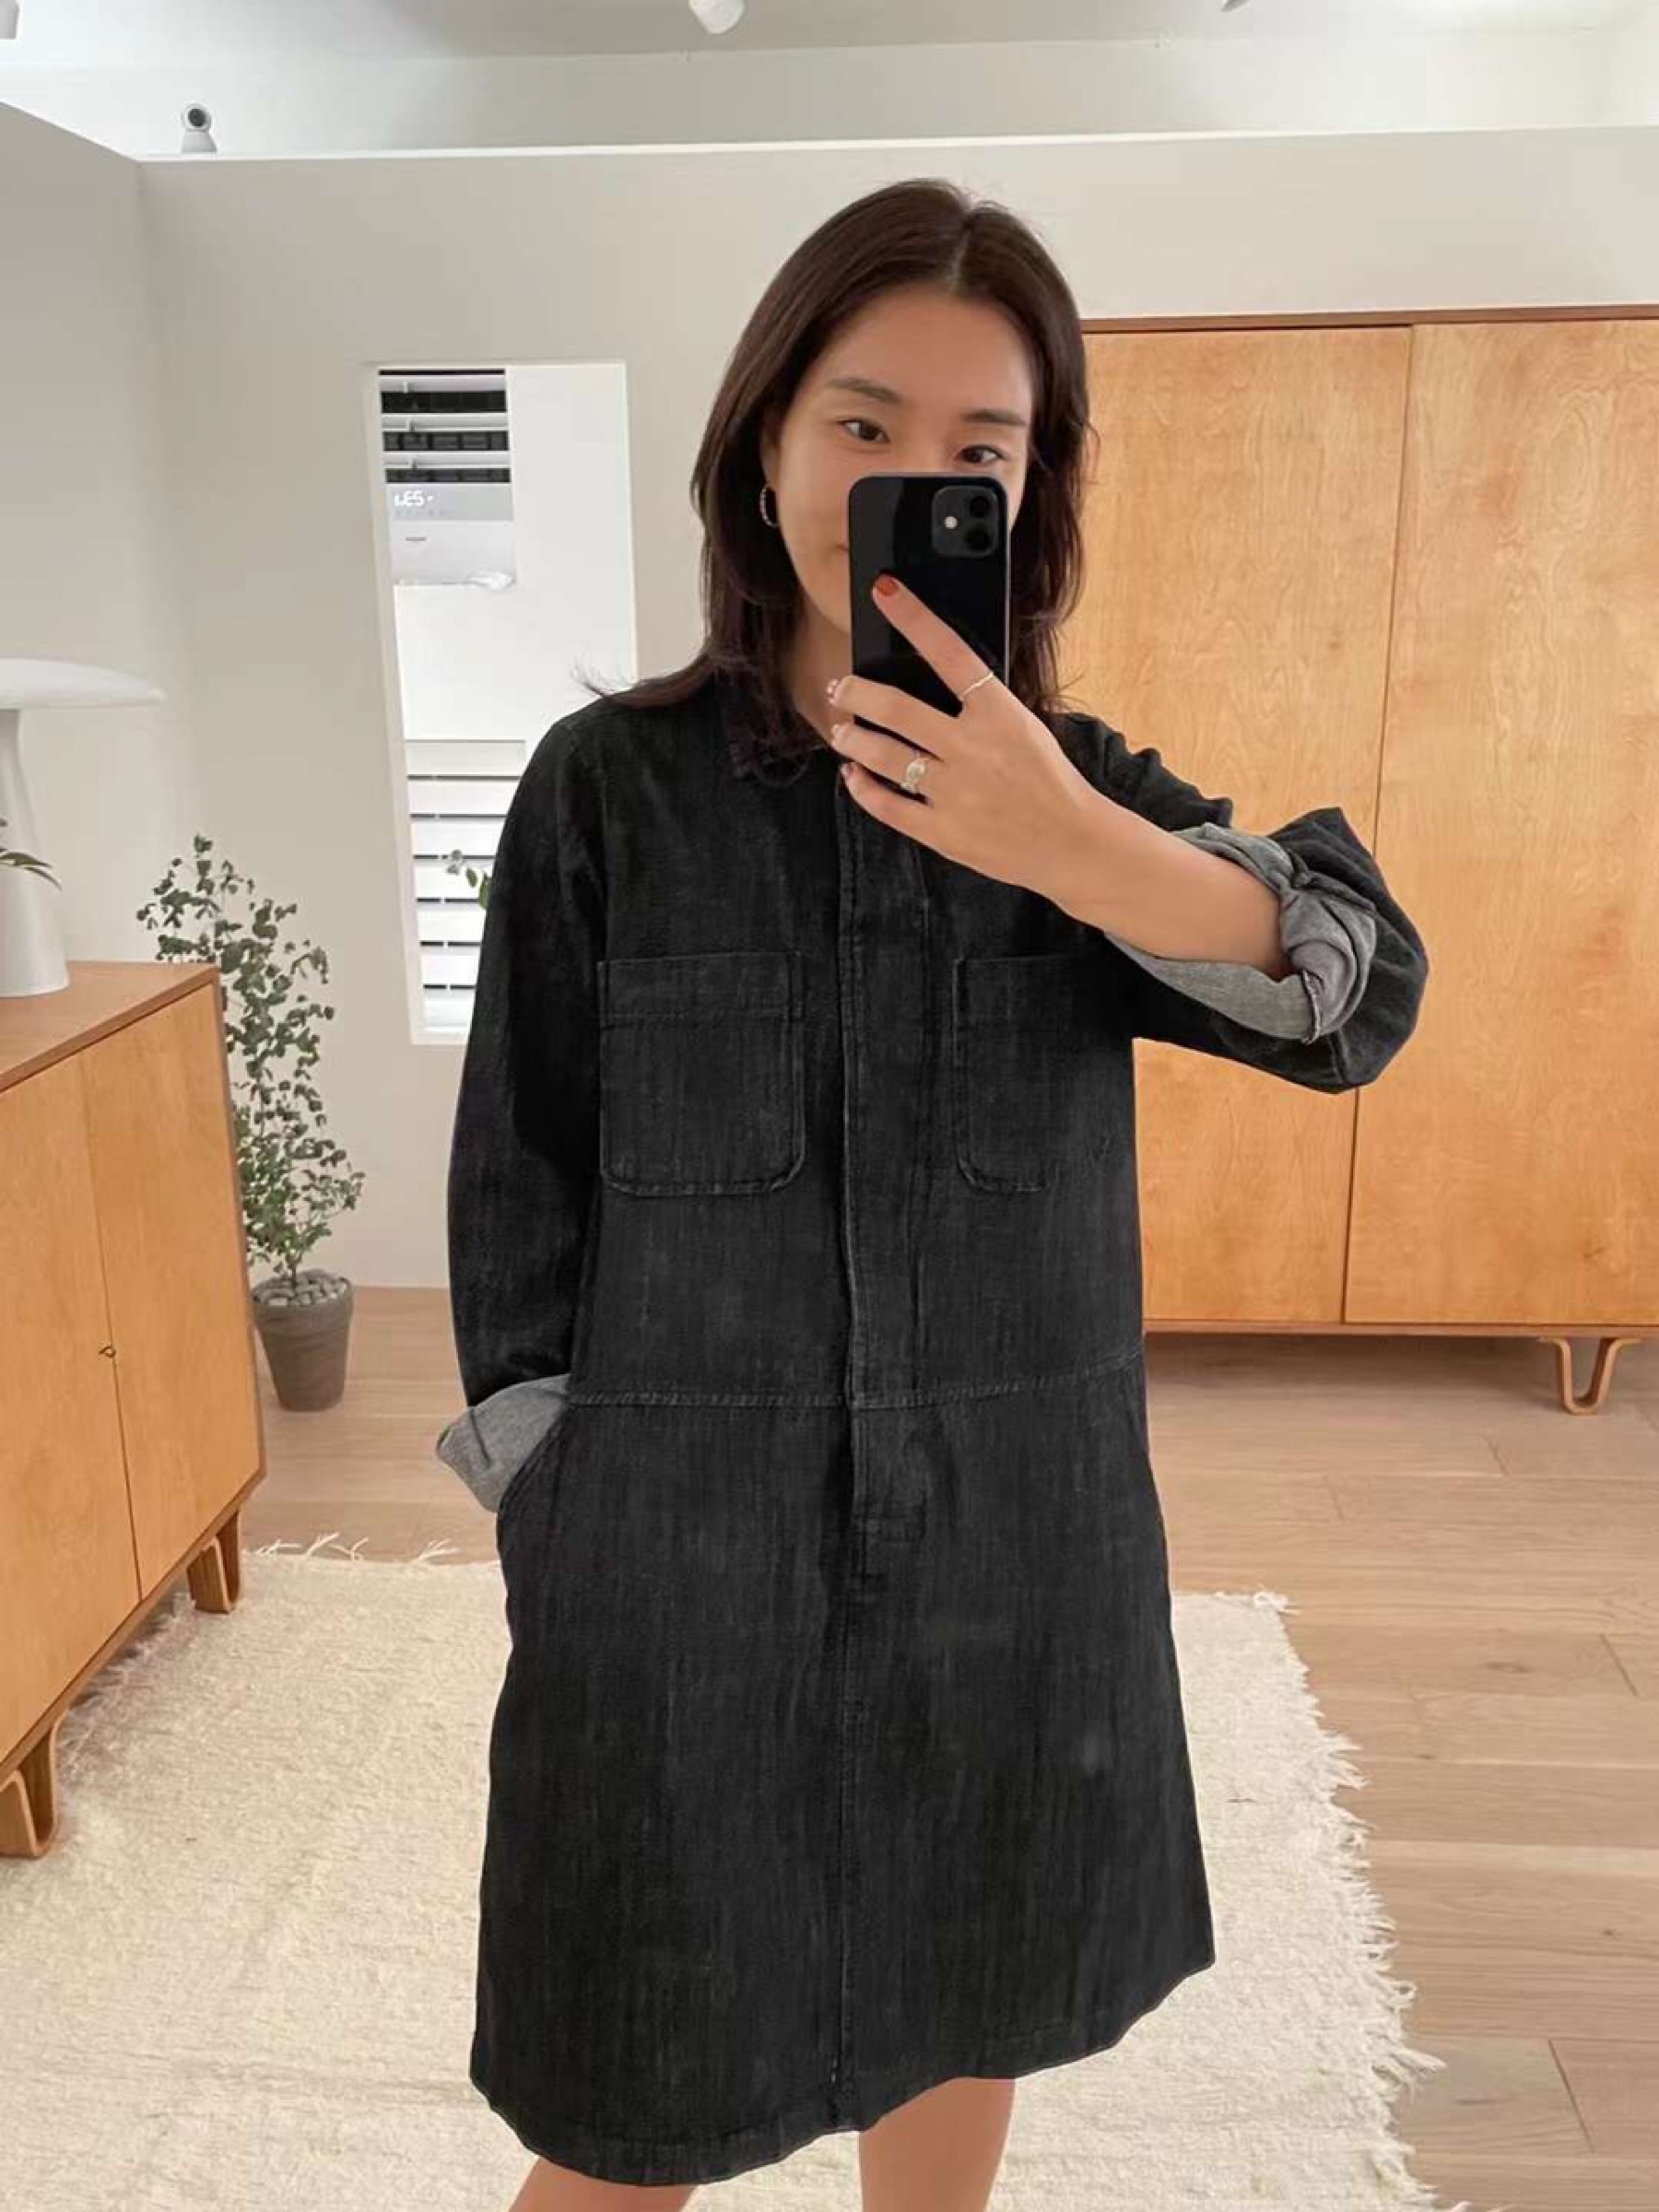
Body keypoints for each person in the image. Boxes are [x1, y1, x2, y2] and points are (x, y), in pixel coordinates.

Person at [441, 176, 1430, 2212]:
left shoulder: (1081, 798)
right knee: (627, 2082)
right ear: (767, 444)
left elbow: (1356, 990)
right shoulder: (604, 792)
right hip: (678, 1563)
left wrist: (1069, 845)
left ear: (1029, 491)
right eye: (864, 423)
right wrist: (560, 1506)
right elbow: (515, 1187)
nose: (914, 475)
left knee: (966, 1994)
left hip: (1013, 1550)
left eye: (980, 447)